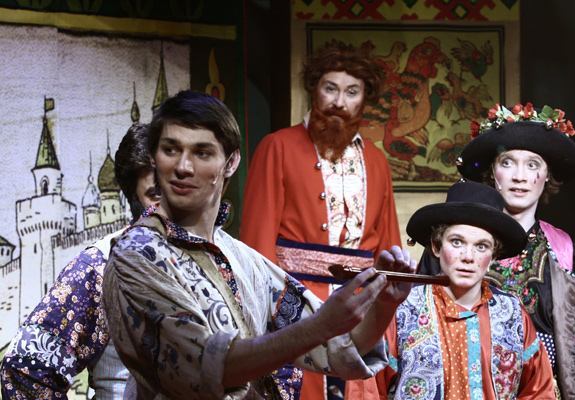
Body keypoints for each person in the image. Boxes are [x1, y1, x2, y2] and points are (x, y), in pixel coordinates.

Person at [101, 89, 414, 400]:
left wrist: (384, 304)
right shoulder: (137, 253)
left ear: (231, 163)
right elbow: (200, 370)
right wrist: (319, 327)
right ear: (154, 157)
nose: (183, 166)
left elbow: (336, 347)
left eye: (202, 153)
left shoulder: (239, 256)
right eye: (170, 149)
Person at [240, 43, 402, 400]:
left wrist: (386, 315)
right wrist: (261, 315)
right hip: (293, 307)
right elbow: (256, 243)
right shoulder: (277, 146)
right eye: (331, 88)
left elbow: (388, 245)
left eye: (352, 92)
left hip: (362, 307)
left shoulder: (377, 160)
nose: (339, 102)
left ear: (364, 100)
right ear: (315, 90)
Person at [419, 103, 575, 399]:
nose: (520, 177)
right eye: (508, 162)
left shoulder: (566, 251)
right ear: (492, 172)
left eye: (533, 165)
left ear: (547, 174)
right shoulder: (450, 245)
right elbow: (419, 325)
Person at [353, 180, 555, 399]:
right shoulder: (402, 310)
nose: (468, 257)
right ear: (436, 246)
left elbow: (538, 391)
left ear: (493, 257)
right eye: (457, 242)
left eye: (481, 246)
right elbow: (368, 389)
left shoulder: (513, 314)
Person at [0, 123, 160, 399]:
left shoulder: (233, 256)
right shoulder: (101, 266)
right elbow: (26, 369)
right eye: (157, 194)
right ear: (135, 199)